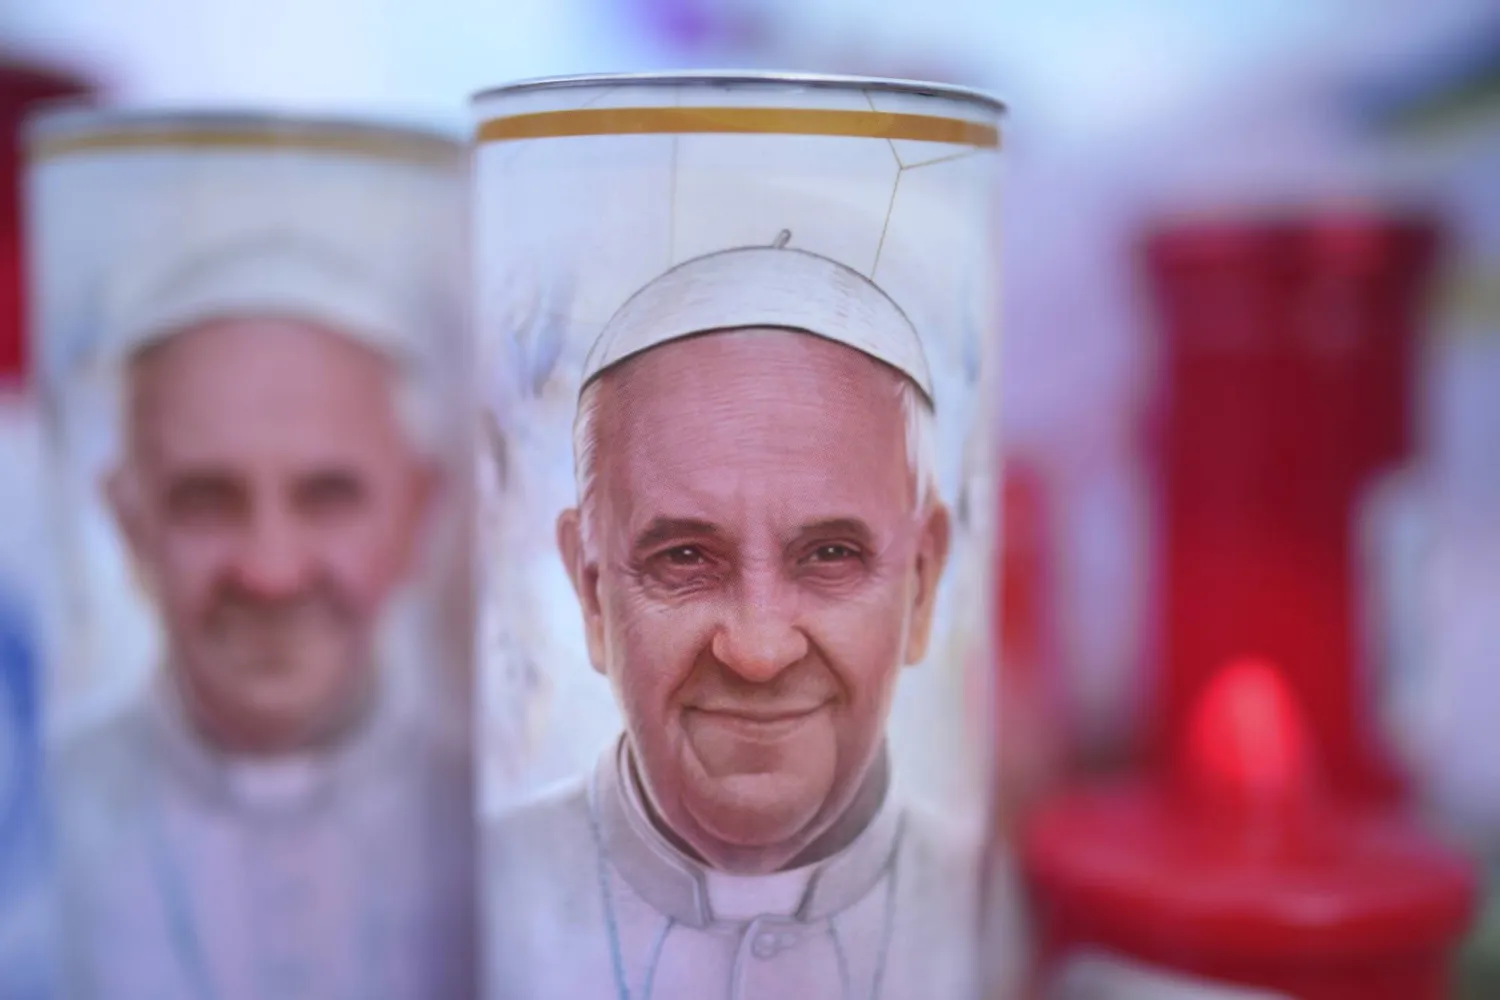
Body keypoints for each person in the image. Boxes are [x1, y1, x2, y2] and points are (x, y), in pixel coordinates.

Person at [487, 235, 982, 1000]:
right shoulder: (468, 899)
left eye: (829, 555)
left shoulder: (998, 912)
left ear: (922, 580)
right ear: (590, 590)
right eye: (685, 558)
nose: (757, 649)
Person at [52, 235, 475, 1000]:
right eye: (206, 500)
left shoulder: (484, 831)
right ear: (130, 522)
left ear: (417, 512)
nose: (270, 573)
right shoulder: (39, 821)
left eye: (327, 496)